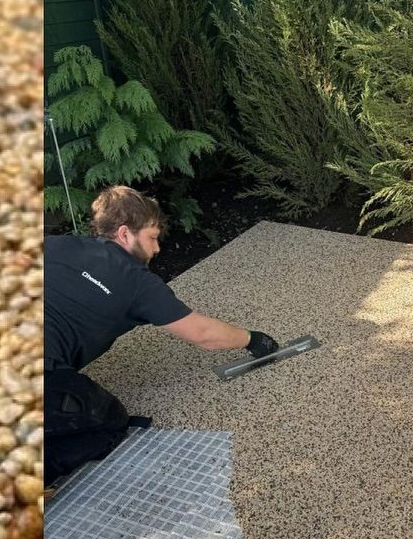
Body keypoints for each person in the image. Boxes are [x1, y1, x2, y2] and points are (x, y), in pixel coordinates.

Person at [45, 185, 279, 484]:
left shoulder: (55, 245)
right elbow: (202, 333)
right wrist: (252, 338)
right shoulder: (136, 282)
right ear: (125, 233)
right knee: (108, 421)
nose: (157, 249)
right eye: (152, 238)